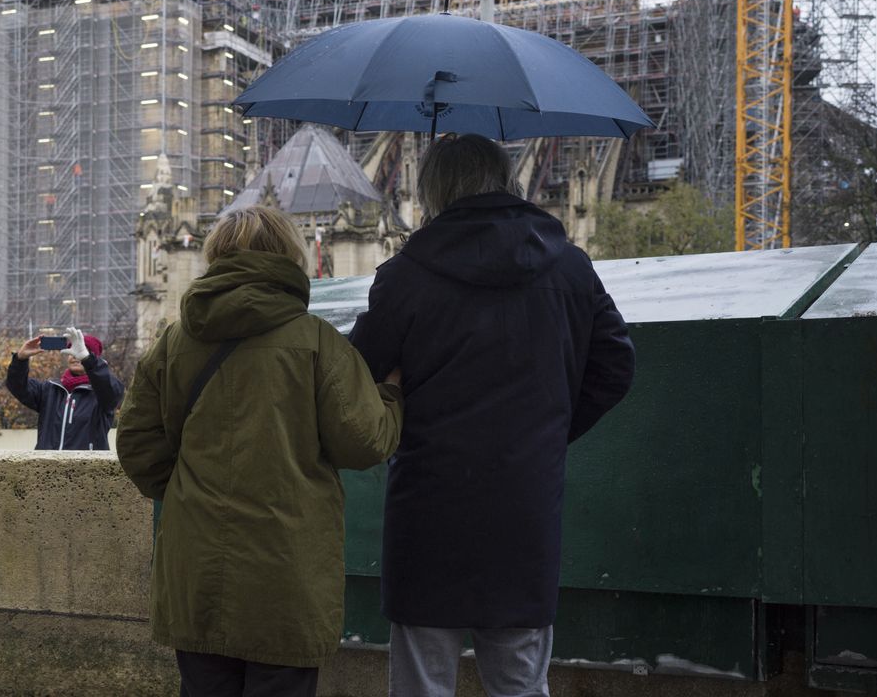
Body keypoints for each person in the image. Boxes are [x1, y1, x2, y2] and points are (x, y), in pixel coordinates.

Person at [348, 133, 636, 697]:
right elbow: (616, 367)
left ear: (433, 192)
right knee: (520, 683)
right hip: (524, 503)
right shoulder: (570, 267)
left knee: (422, 684)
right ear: (508, 181)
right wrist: (549, 430)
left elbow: (356, 375)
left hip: (428, 507)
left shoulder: (404, 275)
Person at [117, 204, 404, 696]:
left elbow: (136, 444)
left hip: (197, 568)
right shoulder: (316, 341)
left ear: (216, 256)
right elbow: (365, 441)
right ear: (289, 256)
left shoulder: (173, 342)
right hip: (287, 570)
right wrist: (392, 395)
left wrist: (190, 492)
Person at [5, 328, 124, 450]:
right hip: (47, 461)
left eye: (81, 351)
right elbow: (17, 385)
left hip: (87, 462)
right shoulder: (50, 389)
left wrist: (88, 360)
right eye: (72, 352)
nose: (75, 356)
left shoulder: (101, 394)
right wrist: (20, 359)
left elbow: (113, 391)